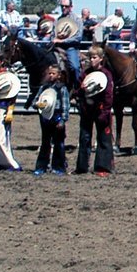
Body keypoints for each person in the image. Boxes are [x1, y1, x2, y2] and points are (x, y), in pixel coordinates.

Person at [73, 48, 115, 176]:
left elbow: (109, 95)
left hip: (101, 109)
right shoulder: (85, 74)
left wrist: (105, 111)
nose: (92, 60)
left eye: (94, 57)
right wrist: (81, 89)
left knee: (103, 138)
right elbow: (77, 92)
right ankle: (82, 166)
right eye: (90, 57)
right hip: (87, 109)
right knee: (84, 137)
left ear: (101, 58)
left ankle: (103, 167)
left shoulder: (107, 74)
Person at [32, 64, 69, 175]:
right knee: (45, 142)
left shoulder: (62, 88)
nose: (51, 75)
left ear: (58, 75)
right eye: (49, 73)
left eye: (53, 73)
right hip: (45, 117)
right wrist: (38, 105)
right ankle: (42, 166)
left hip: (57, 117)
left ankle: (59, 166)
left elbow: (65, 105)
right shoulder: (43, 88)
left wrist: (63, 119)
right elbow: (35, 101)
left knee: (59, 143)